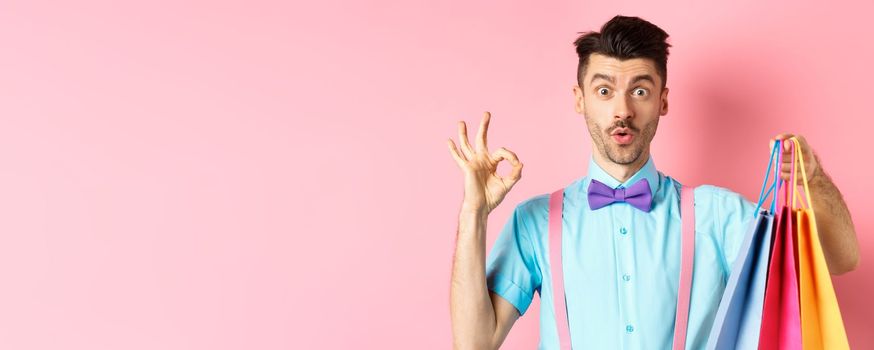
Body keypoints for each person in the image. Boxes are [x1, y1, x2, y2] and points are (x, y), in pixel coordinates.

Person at [447, 15, 860, 349]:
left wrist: (815, 179)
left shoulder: (716, 214)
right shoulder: (536, 221)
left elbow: (841, 260)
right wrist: (473, 214)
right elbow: (474, 343)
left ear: (663, 100)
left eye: (640, 91)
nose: (622, 110)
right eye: (604, 90)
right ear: (580, 99)